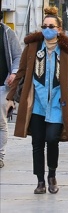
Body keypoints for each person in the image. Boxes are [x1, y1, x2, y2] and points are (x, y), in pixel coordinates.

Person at [6, 7, 68, 194]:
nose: (47, 29)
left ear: (59, 29)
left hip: (56, 103)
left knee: (52, 138)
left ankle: (52, 174)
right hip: (36, 103)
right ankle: (40, 181)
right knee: (37, 142)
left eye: (51, 26)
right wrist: (11, 98)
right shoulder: (32, 47)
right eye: (44, 26)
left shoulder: (67, 50)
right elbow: (21, 72)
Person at [0, 12, 22, 169]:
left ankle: (0, 155)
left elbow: (17, 56)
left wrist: (14, 72)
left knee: (0, 121)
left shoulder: (7, 33)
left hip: (2, 85)